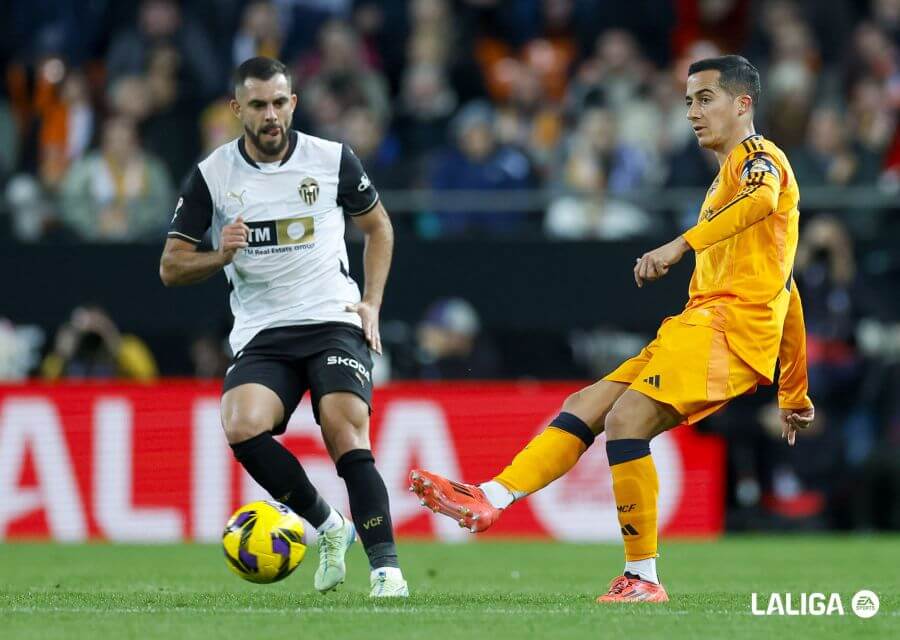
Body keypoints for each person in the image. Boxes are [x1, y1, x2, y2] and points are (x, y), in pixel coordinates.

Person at [410, 55, 815, 603]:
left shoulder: (759, 158)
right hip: (701, 324)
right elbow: (786, 288)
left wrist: (681, 243)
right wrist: (793, 389)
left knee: (627, 419)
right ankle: (490, 496)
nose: (693, 112)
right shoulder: (728, 177)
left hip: (727, 330)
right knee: (590, 402)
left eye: (705, 98)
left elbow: (763, 199)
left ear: (743, 104)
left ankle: (643, 578)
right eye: (688, 100)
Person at [159, 57, 407, 598]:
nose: (271, 115)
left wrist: (371, 303)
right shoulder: (212, 175)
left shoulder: (332, 159)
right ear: (236, 110)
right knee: (241, 424)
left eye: (279, 102)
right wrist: (218, 255)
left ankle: (386, 569)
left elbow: (379, 227)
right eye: (258, 105)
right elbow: (171, 267)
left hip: (331, 319)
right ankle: (327, 524)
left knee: (344, 428)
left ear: (292, 102)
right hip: (264, 332)